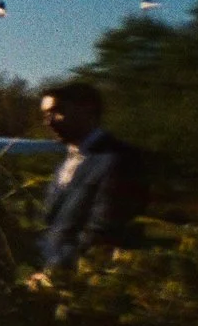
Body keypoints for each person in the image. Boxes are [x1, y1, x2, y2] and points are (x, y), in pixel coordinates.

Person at [38, 82, 149, 271]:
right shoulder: (64, 164)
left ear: (87, 109)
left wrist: (55, 272)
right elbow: (55, 225)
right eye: (45, 114)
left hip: (87, 279)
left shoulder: (120, 159)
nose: (49, 121)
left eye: (57, 111)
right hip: (47, 277)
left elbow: (104, 231)